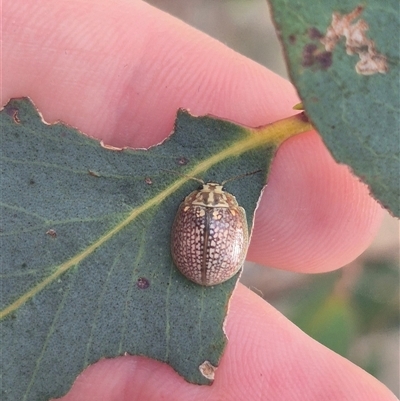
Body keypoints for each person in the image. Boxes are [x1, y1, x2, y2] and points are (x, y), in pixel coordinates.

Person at [3, 1, 395, 400]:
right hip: (211, 265)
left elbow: (194, 227)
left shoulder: (195, 207)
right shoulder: (219, 209)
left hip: (209, 261)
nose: (209, 192)